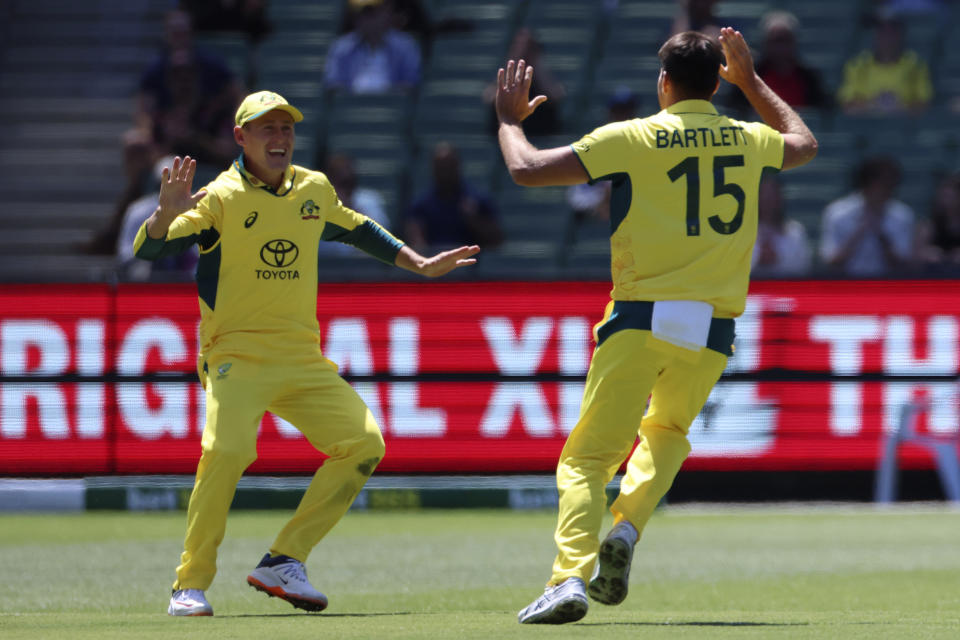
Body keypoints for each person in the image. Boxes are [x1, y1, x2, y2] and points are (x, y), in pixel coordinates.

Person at [495, 28, 817, 624]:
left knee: (588, 460)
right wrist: (751, 82)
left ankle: (568, 577)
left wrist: (509, 121)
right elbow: (803, 143)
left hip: (640, 318)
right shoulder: (747, 138)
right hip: (713, 329)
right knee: (666, 434)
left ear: (664, 82)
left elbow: (528, 170)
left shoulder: (635, 136)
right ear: (717, 80)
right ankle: (627, 530)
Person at [133, 91, 479, 617]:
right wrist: (162, 216)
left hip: (300, 356)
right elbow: (151, 249)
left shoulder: (312, 189)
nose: (279, 138)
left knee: (363, 444)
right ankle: (189, 583)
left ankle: (284, 558)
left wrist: (420, 263)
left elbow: (358, 228)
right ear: (240, 137)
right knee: (225, 454)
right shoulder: (220, 196)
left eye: (286, 128)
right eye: (266, 129)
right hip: (236, 355)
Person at [88, 8, 242, 255]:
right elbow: (144, 116)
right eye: (177, 76)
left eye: (187, 76)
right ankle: (128, 217)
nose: (182, 81)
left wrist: (197, 134)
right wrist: (157, 137)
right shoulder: (156, 70)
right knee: (139, 148)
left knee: (228, 144)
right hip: (169, 152)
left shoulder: (212, 69)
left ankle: (114, 233)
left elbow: (237, 98)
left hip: (208, 146)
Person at [819, 156, 915, 276]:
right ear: (867, 184)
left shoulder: (903, 215)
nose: (888, 190)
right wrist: (860, 230)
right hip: (847, 285)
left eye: (891, 184)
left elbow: (904, 263)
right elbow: (831, 260)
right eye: (883, 184)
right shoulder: (837, 213)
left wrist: (881, 234)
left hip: (889, 286)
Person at [404, 141, 504, 253]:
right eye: (441, 167)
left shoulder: (478, 200)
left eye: (449, 166)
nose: (445, 172)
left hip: (471, 264)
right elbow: (416, 241)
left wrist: (473, 219)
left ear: (457, 166)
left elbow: (496, 242)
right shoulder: (421, 205)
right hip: (434, 264)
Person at [725, 11, 829, 117]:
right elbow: (735, 108)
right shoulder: (749, 75)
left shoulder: (809, 77)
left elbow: (823, 109)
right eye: (776, 41)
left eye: (785, 40)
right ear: (765, 42)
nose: (781, 47)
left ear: (794, 42)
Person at [116, 155, 198, 281]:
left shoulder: (198, 208)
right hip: (147, 275)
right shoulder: (139, 209)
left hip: (188, 277)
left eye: (180, 179)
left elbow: (201, 253)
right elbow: (126, 253)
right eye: (169, 179)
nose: (174, 185)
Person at [837, 12, 932, 114]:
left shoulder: (916, 65)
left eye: (891, 32)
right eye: (881, 31)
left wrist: (898, 107)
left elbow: (924, 105)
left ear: (900, 34)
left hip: (905, 126)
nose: (886, 38)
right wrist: (873, 106)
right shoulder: (856, 65)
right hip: (866, 126)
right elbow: (847, 105)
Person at [323, 0, 422, 94]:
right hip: (351, 109)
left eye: (370, 11)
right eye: (359, 13)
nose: (364, 18)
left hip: (392, 109)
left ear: (386, 10)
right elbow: (334, 86)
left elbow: (411, 86)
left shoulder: (406, 46)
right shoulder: (341, 47)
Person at [484, 27, 566, 137]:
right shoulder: (507, 73)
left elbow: (555, 96)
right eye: (518, 46)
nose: (524, 51)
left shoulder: (543, 72)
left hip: (540, 133)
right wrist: (514, 63)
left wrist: (535, 63)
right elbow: (489, 97)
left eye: (528, 47)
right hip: (509, 135)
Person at [317, 153, 392, 257]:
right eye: (337, 179)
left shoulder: (370, 201)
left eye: (347, 183)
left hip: (364, 270)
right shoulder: (314, 206)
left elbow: (382, 245)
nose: (343, 190)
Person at [751, 175, 812, 277]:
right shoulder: (742, 232)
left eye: (772, 195)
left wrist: (778, 259)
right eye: (764, 195)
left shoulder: (795, 230)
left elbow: (804, 266)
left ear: (780, 198)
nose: (767, 200)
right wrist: (758, 259)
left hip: (786, 288)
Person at [917, 172, 960, 273]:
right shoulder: (928, 226)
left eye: (951, 197)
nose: (946, 201)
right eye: (944, 196)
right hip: (934, 278)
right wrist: (926, 253)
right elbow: (913, 259)